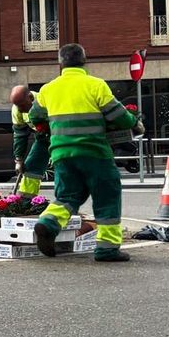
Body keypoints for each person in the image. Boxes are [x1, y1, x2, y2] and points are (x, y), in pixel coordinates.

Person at [29, 43, 138, 262]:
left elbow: (34, 117)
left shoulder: (48, 89)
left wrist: (49, 128)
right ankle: (107, 249)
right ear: (84, 61)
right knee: (107, 196)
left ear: (60, 63)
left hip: (61, 154)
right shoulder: (96, 85)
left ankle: (48, 224)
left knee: (67, 196)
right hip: (95, 153)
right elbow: (119, 116)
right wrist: (134, 122)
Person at [10, 84, 50, 198]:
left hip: (60, 136)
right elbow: (20, 135)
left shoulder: (44, 101)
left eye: (22, 105)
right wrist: (19, 160)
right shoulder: (16, 110)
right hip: (43, 138)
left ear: (30, 98)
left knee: (64, 166)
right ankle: (26, 200)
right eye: (17, 106)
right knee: (32, 166)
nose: (20, 109)